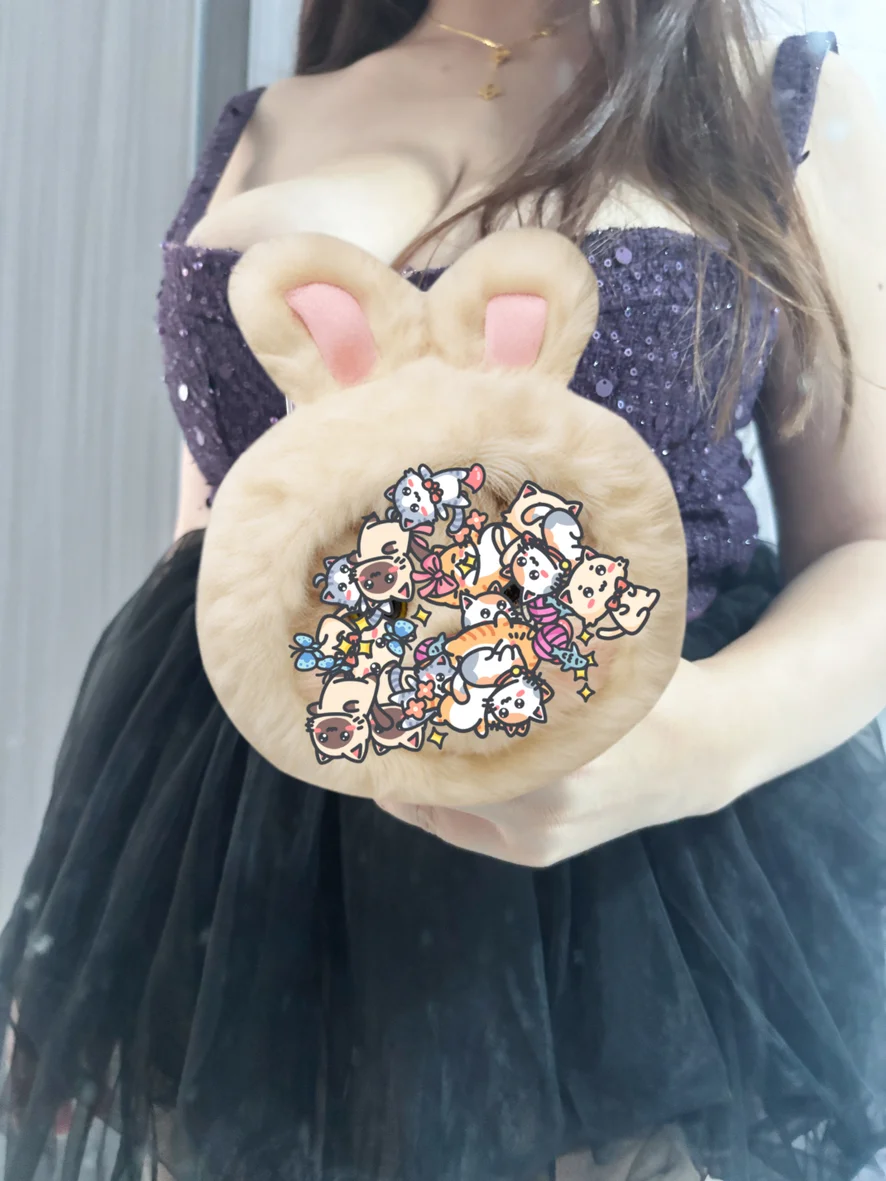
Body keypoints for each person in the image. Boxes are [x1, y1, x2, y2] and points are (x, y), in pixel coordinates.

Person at [2, 1, 886, 1178]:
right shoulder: (268, 118)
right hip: (254, 894)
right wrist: (97, 924)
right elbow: (214, 546)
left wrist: (694, 743)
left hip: (637, 905)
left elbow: (869, 540)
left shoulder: (766, 100)